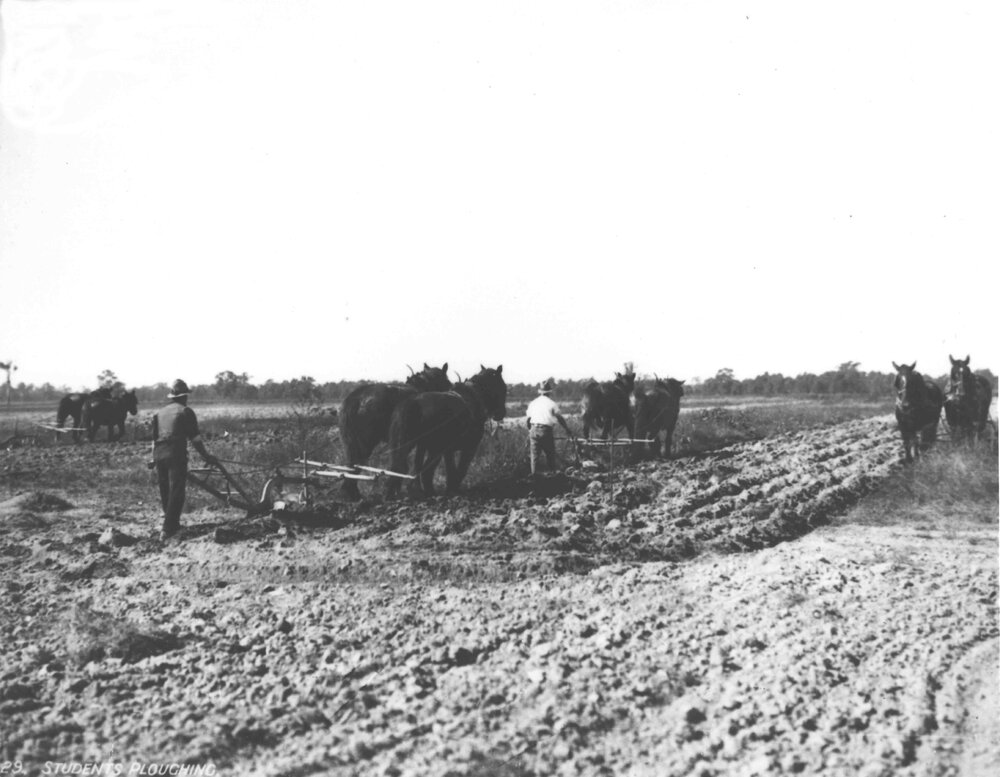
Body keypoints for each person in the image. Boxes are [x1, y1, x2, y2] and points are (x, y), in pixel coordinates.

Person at [150, 379, 217, 540]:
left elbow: (154, 439)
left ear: (172, 396)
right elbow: (195, 439)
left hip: (159, 454)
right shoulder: (186, 411)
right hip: (175, 454)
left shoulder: (159, 413)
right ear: (184, 396)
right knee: (177, 491)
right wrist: (206, 456)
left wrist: (153, 458)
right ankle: (168, 529)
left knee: (165, 489)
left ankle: (170, 523)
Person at [526, 378, 573, 476]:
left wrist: (530, 430)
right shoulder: (552, 404)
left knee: (534, 457)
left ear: (541, 392)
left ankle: (533, 477)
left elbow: (528, 420)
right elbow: (559, 418)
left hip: (534, 430)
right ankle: (553, 475)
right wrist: (567, 429)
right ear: (549, 392)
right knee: (550, 455)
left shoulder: (533, 403)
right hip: (545, 430)